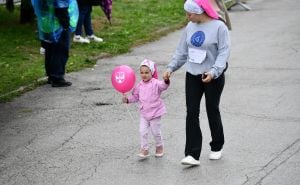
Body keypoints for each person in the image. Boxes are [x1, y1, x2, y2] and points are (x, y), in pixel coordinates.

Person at [163, 0, 230, 165]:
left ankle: (217, 146)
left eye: (189, 14)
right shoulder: (189, 28)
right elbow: (181, 51)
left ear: (200, 11)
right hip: (193, 75)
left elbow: (223, 52)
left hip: (212, 75)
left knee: (212, 109)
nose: (187, 17)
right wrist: (170, 68)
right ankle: (192, 154)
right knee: (191, 112)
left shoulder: (219, 27)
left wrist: (214, 72)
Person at [122, 59, 170, 158]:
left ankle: (159, 146)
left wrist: (166, 80)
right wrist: (127, 100)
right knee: (142, 131)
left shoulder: (156, 83)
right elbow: (135, 97)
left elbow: (164, 86)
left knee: (156, 132)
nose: (144, 75)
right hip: (144, 113)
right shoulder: (139, 86)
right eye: (142, 73)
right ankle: (145, 149)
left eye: (147, 72)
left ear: (151, 72)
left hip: (155, 112)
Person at [32, 0, 79, 87]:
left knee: (50, 48)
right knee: (60, 50)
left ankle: (51, 75)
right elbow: (60, 5)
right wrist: (65, 23)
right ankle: (57, 77)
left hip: (47, 20)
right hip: (58, 22)